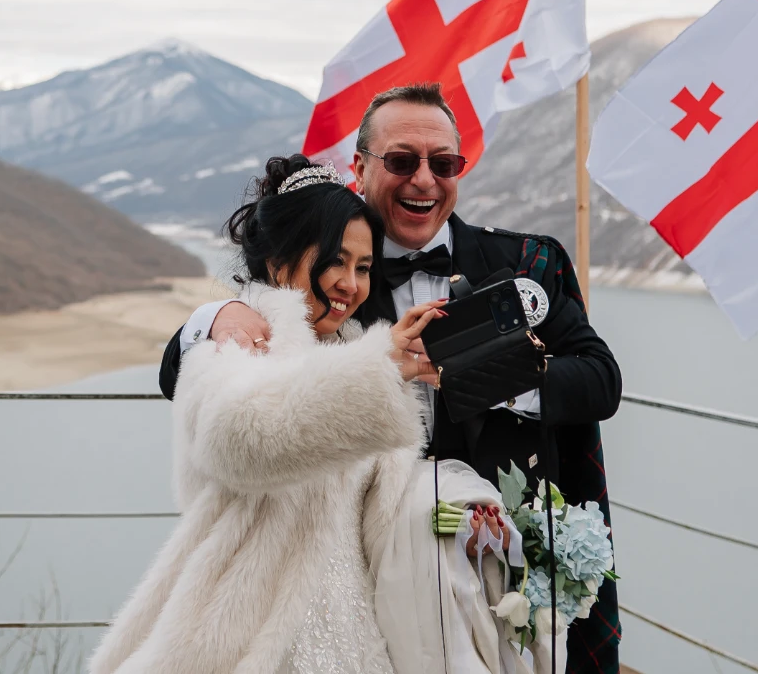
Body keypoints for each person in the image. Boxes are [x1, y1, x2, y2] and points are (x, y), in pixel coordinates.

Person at [158, 85, 623, 674]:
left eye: (444, 163)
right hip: (377, 586)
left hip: (510, 571)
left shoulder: (530, 262)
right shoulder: (334, 270)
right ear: (359, 167)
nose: (424, 180)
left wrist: (491, 378)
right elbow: (195, 376)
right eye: (401, 161)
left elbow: (600, 381)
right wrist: (209, 319)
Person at [93, 155, 524, 674]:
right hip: (250, 631)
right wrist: (378, 368)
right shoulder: (235, 342)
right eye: (335, 260)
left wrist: (467, 510)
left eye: (363, 268)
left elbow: (388, 500)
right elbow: (239, 439)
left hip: (358, 635)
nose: (350, 283)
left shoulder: (357, 355)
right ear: (279, 260)